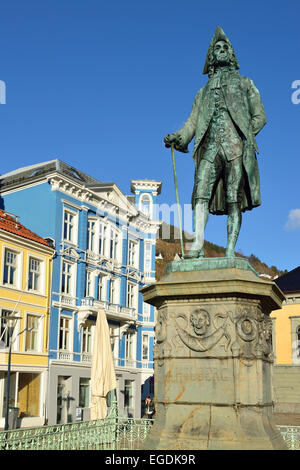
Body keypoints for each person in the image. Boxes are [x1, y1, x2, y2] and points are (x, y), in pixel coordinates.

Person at [164, 26, 266, 259]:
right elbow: (192, 122)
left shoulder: (245, 83)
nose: (220, 50)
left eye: (224, 48)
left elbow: (260, 116)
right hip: (210, 148)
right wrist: (178, 136)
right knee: (200, 192)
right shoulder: (203, 92)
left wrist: (246, 135)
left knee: (234, 199)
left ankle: (230, 249)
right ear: (211, 57)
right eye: (216, 48)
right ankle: (198, 244)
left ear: (230, 55)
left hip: (236, 149)